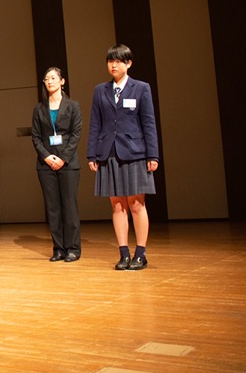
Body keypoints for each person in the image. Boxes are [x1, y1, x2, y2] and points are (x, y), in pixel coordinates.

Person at [87, 44, 159, 271]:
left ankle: (140, 253)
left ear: (128, 63)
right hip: (108, 152)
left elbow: (148, 123)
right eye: (110, 61)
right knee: (117, 205)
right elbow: (95, 124)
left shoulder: (141, 88)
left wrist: (152, 154)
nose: (113, 65)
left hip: (135, 152)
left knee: (137, 204)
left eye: (118, 61)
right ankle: (123, 253)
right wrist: (92, 153)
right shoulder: (100, 90)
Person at [31, 68, 82, 262]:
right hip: (46, 165)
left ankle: (73, 248)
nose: (49, 81)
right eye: (46, 79)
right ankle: (58, 248)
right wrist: (47, 157)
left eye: (53, 78)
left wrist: (63, 158)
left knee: (69, 206)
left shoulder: (73, 106)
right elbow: (36, 137)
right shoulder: (39, 109)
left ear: (62, 81)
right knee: (53, 208)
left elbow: (76, 134)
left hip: (67, 163)